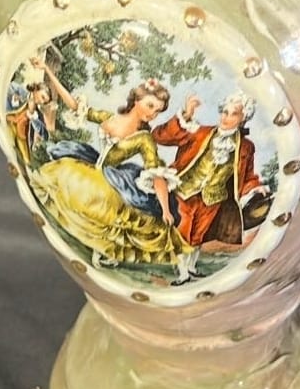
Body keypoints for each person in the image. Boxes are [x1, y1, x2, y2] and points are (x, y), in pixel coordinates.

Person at [28, 60, 192, 282]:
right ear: (137, 100)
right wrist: (47, 70)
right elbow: (74, 105)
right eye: (150, 106)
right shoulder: (109, 118)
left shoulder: (144, 138)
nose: (153, 114)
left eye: (158, 111)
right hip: (94, 168)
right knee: (61, 175)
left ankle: (174, 265)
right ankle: (101, 251)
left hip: (113, 180)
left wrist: (165, 210)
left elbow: (156, 175)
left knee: (127, 215)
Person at [152, 91, 270, 279]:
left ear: (243, 118)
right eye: (224, 112)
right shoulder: (200, 132)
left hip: (213, 199)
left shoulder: (246, 147)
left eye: (233, 114)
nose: (226, 117)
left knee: (198, 236)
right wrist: (186, 115)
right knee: (183, 233)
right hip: (185, 191)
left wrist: (256, 187)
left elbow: (246, 176)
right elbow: (160, 136)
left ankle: (191, 268)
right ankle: (182, 274)